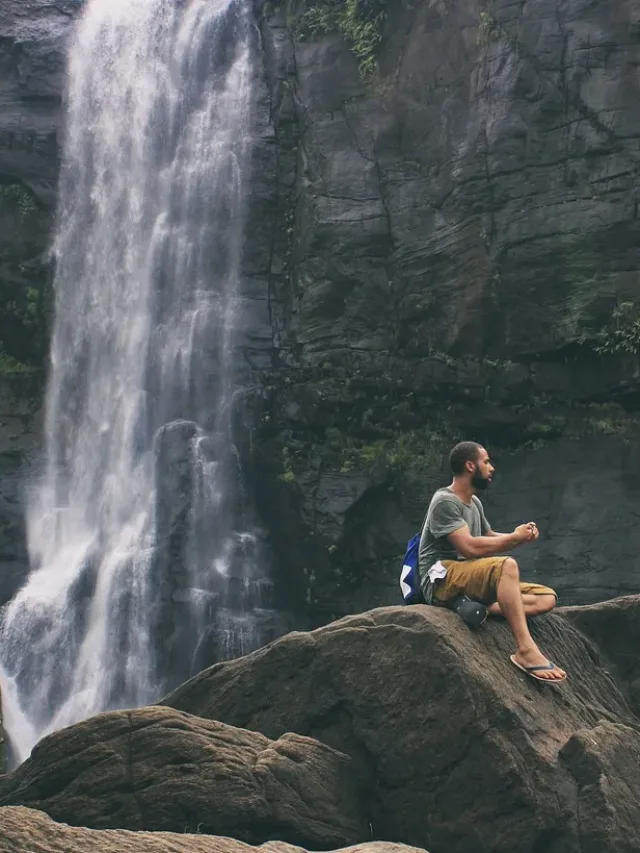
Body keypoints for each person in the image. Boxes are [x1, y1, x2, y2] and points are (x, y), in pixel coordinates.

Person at [418, 441, 566, 683]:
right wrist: (513, 541)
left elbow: (487, 536)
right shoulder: (445, 501)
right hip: (440, 576)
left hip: (465, 574)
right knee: (506, 566)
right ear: (469, 465)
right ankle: (526, 651)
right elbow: (468, 546)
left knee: (546, 598)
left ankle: (477, 607)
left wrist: (518, 536)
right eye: (486, 462)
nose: (491, 468)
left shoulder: (474, 503)